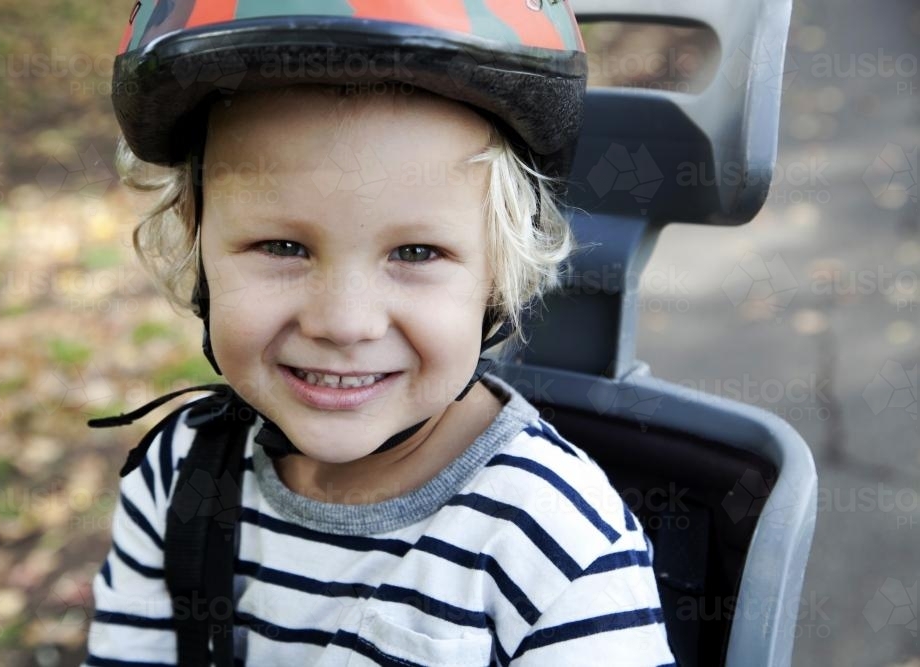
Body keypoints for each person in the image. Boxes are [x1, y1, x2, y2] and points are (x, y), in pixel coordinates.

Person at [83, 2, 676, 665]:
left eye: (416, 253)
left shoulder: (555, 546)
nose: (343, 322)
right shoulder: (177, 477)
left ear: (497, 271)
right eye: (282, 245)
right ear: (196, 245)